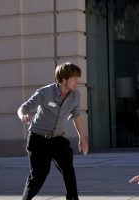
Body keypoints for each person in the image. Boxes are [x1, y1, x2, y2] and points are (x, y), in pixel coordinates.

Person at [17, 62, 89, 200]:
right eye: (74, 78)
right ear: (63, 79)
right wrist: (23, 116)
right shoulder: (45, 92)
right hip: (38, 139)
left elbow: (75, 115)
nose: (77, 82)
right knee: (38, 175)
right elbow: (23, 108)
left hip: (57, 139)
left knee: (68, 169)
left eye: (78, 78)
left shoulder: (75, 96)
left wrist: (82, 138)